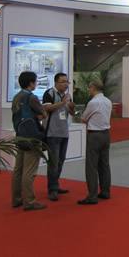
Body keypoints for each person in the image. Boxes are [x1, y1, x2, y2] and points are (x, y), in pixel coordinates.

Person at [11, 71, 48, 211]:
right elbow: (43, 113)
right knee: (29, 171)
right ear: (31, 83)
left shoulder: (16, 97)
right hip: (32, 137)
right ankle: (30, 201)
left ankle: (16, 199)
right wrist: (40, 115)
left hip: (20, 135)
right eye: (35, 81)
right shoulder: (31, 97)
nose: (36, 83)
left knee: (18, 169)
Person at [78, 80, 112, 205]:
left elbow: (83, 118)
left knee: (91, 166)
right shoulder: (108, 101)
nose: (88, 90)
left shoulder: (93, 102)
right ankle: (105, 191)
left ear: (93, 88)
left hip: (95, 135)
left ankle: (92, 196)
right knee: (104, 165)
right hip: (106, 134)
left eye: (89, 88)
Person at [42, 73, 75, 201]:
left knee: (61, 161)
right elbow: (47, 108)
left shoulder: (67, 95)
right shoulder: (49, 93)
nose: (66, 84)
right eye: (63, 81)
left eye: (67, 82)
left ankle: (55, 184)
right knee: (53, 162)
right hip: (52, 133)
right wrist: (62, 102)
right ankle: (52, 189)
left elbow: (71, 112)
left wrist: (71, 107)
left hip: (64, 132)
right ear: (56, 82)